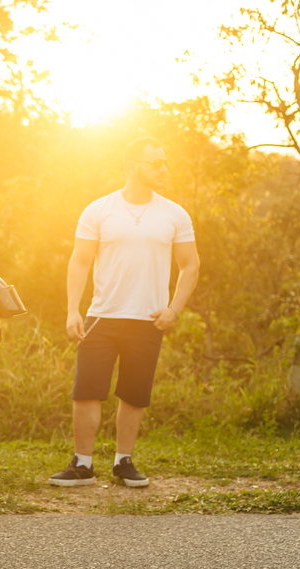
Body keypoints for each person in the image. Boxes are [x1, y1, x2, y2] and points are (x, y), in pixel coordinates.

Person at [49, 137, 200, 488]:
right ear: (134, 166)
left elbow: (190, 265)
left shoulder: (174, 214)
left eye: (165, 162)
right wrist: (73, 310)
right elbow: (80, 261)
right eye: (156, 163)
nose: (164, 169)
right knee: (86, 390)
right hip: (101, 315)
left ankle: (123, 461)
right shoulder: (99, 210)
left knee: (134, 393)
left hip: (148, 319)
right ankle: (82, 465)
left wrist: (174, 309)